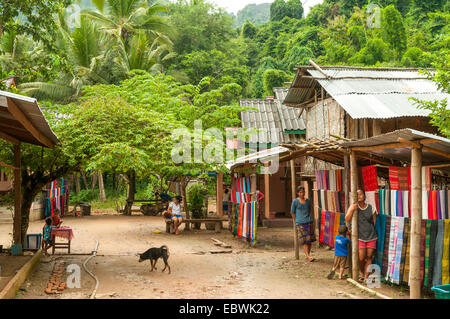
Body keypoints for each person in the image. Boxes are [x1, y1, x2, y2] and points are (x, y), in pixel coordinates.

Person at [345, 189, 378, 282]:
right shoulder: (354, 207)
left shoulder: (371, 208)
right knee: (361, 257)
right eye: (357, 194)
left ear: (364, 196)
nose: (359, 196)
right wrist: (351, 209)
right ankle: (360, 271)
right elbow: (347, 218)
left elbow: (374, 222)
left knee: (369, 256)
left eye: (361, 194)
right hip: (360, 236)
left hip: (371, 236)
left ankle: (366, 276)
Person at [290, 186, 316, 262]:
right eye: (300, 192)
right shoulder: (295, 201)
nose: (302, 193)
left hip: (308, 221)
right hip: (300, 223)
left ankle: (308, 255)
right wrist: (296, 221)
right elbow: (292, 212)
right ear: (298, 193)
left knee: (309, 240)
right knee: (304, 240)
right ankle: (308, 256)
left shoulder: (308, 201)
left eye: (303, 192)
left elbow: (309, 210)